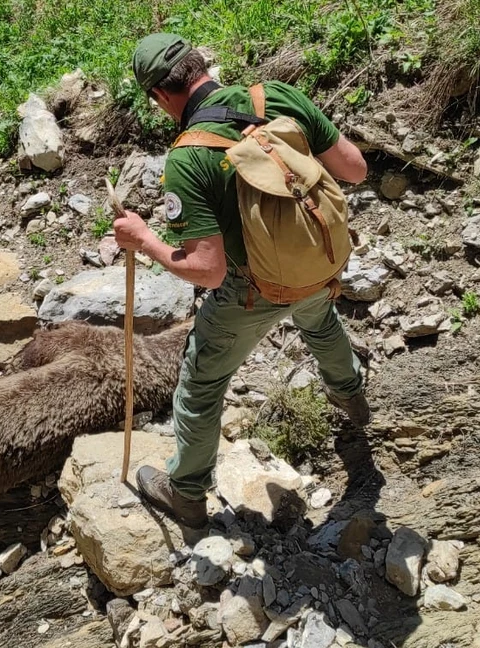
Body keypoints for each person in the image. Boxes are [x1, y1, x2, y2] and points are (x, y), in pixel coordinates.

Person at [114, 33, 371, 528]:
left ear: (161, 96)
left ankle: (186, 491)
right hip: (319, 259)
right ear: (200, 66)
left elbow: (208, 270)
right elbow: (355, 170)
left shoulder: (188, 157)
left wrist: (144, 239)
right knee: (319, 319)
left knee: (200, 382)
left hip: (253, 290)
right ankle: (352, 399)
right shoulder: (275, 96)